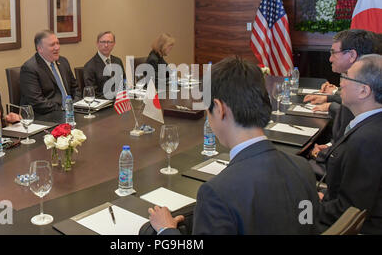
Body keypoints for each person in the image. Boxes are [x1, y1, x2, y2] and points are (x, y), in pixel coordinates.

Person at [149, 57, 320, 235]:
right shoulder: (303, 168)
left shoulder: (217, 194)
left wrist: (166, 230)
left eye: (208, 111)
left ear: (219, 108)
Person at [317, 54, 382, 234]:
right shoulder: (371, 124)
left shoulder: (368, 140)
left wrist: (308, 206)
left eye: (346, 77)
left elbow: (349, 211)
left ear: (364, 91)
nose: (341, 84)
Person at [304, 29, 377, 162]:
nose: (330, 58)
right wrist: (330, 146)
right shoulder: (364, 85)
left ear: (351, 55)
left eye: (333, 53)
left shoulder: (360, 97)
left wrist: (318, 155)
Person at [20, 30, 80, 115]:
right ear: (40, 49)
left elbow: (75, 88)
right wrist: (64, 108)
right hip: (47, 116)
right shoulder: (29, 69)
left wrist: (75, 104)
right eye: (52, 45)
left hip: (71, 112)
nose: (57, 47)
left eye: (58, 43)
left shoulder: (63, 61)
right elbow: (37, 102)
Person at [83, 31, 124, 98]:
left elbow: (123, 83)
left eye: (109, 42)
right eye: (103, 42)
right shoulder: (89, 66)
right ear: (97, 43)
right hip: (103, 103)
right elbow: (93, 93)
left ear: (114, 44)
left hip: (120, 101)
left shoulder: (118, 61)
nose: (106, 45)